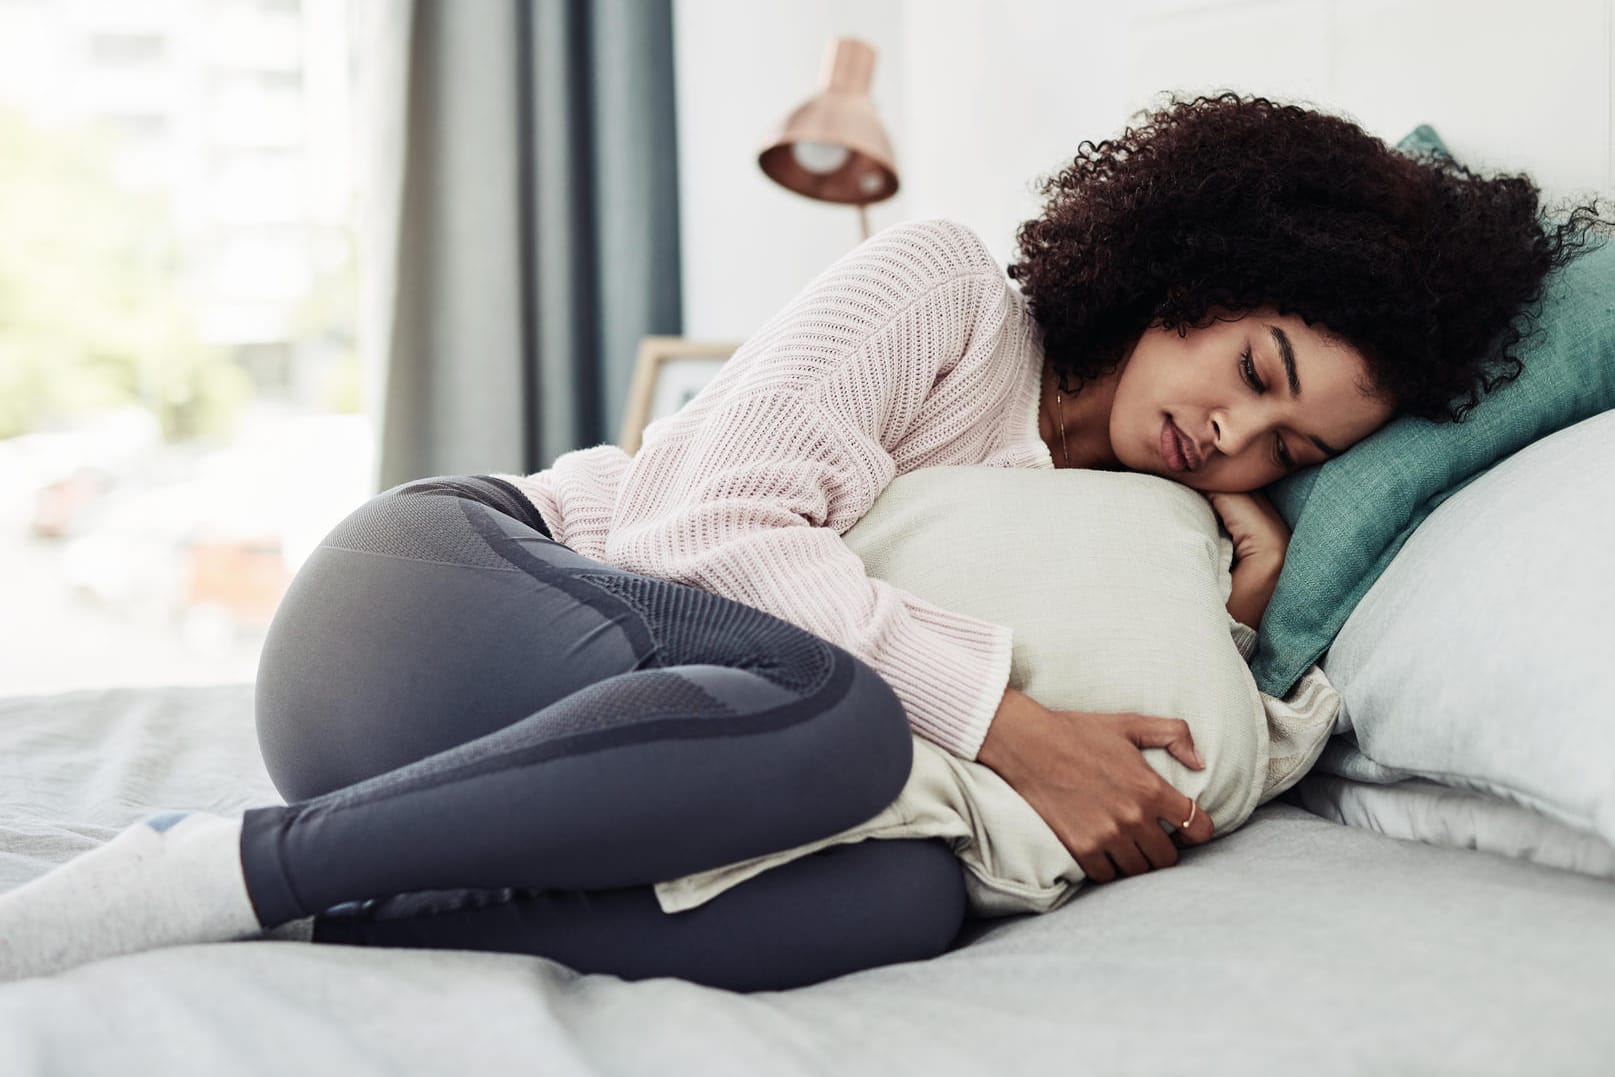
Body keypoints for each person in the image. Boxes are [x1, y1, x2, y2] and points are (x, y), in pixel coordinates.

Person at [2, 93, 1607, 992]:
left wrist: (1239, 560)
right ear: (1197, 268)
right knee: (838, 717)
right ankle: (229, 869)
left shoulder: (1154, 517)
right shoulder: (944, 293)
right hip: (441, 604)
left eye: (1291, 451)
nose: (1233, 440)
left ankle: (360, 911)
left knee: (907, 895)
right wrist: (1014, 726)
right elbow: (708, 532)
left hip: (577, 756)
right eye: (1255, 376)